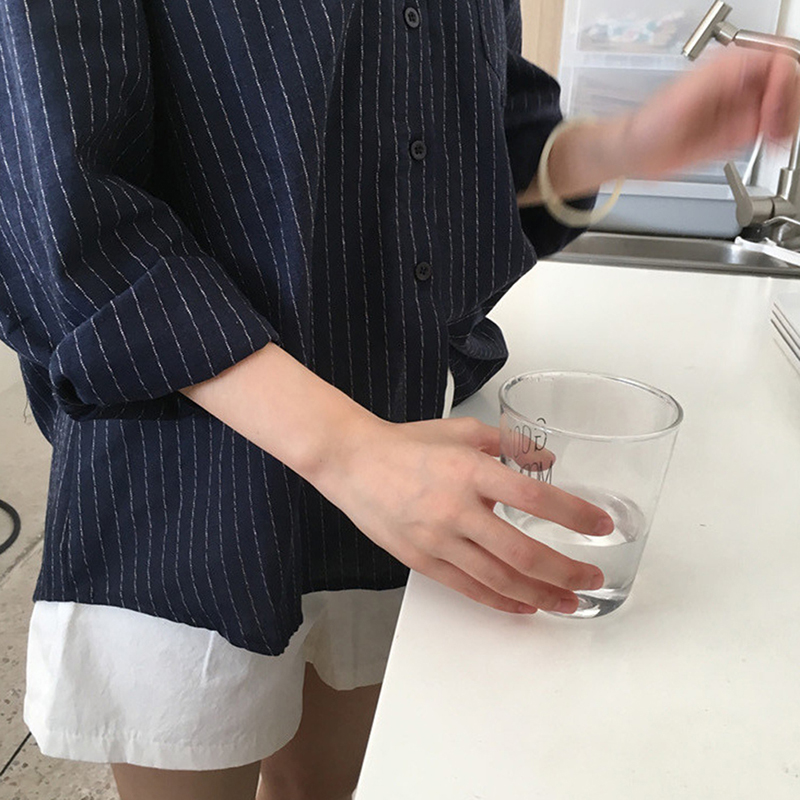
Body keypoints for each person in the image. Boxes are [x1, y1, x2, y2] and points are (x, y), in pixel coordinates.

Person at [1, 2, 797, 799]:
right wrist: (347, 450)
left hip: (403, 454)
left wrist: (630, 143)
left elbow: (473, 149)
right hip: (188, 485)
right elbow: (60, 210)